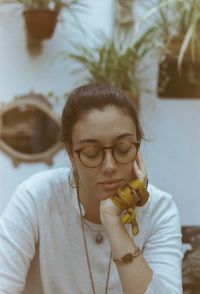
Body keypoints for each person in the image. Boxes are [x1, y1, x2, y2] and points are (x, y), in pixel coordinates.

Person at [0, 84, 183, 294]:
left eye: (123, 149)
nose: (109, 166)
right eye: (91, 153)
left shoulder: (159, 209)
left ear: (138, 146)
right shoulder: (37, 197)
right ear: (70, 153)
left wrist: (113, 222)